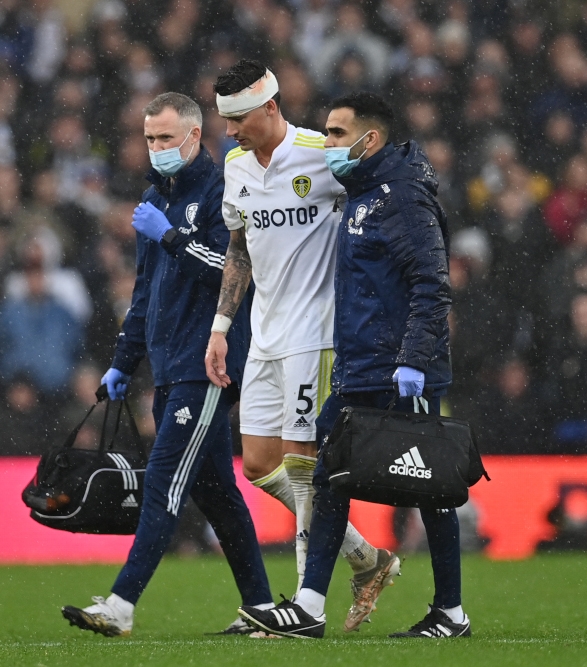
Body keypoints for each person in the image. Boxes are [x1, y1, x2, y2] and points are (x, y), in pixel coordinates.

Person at [238, 92, 467, 639]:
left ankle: (450, 612)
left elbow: (432, 285)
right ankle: (312, 605)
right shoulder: (363, 193)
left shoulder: (403, 199)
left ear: (371, 140)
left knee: (429, 487)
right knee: (330, 475)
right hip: (359, 366)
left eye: (337, 134)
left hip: (398, 371)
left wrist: (412, 361)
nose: (327, 144)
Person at [62, 92, 273, 638]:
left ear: (194, 136)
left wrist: (173, 237)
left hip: (209, 363)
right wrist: (122, 362)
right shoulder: (155, 197)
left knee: (163, 480)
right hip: (169, 365)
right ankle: (264, 609)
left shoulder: (223, 189)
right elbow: (144, 293)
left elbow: (233, 272)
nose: (155, 148)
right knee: (215, 492)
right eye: (149, 138)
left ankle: (122, 603)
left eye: (164, 138)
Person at [203, 59, 393, 629]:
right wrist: (219, 326)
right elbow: (239, 249)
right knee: (260, 465)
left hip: (318, 334)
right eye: (224, 120)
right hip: (263, 334)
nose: (230, 131)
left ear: (269, 106)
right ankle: (367, 558)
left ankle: (305, 604)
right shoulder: (236, 165)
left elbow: (385, 197)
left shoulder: (322, 153)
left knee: (305, 468)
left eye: (238, 118)